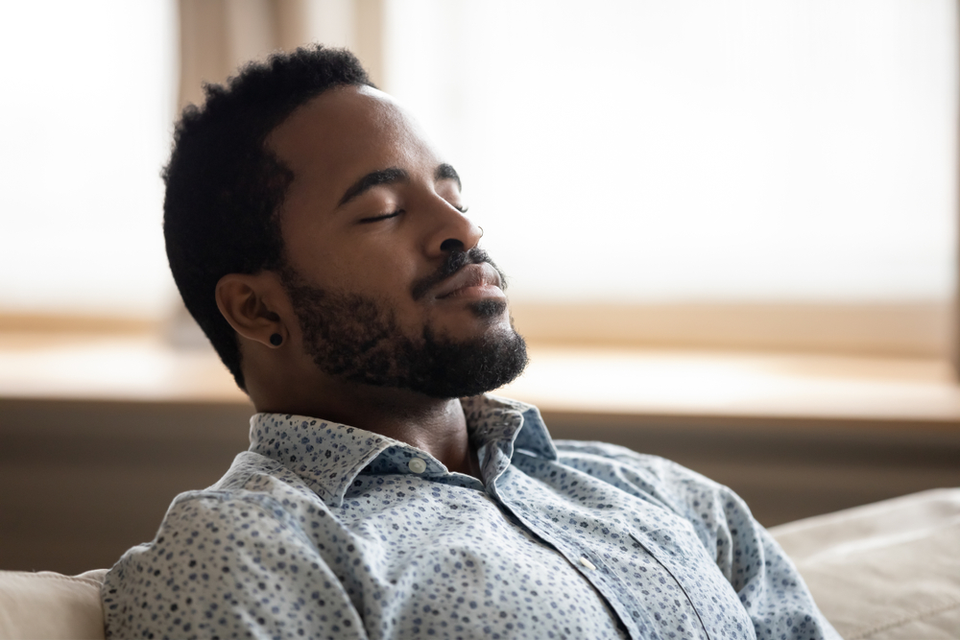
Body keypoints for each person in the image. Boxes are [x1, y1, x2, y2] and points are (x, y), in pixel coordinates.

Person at [102, 46, 839, 640]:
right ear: (259, 308)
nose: (464, 231)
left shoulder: (661, 496)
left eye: (455, 198)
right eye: (383, 211)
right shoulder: (240, 554)